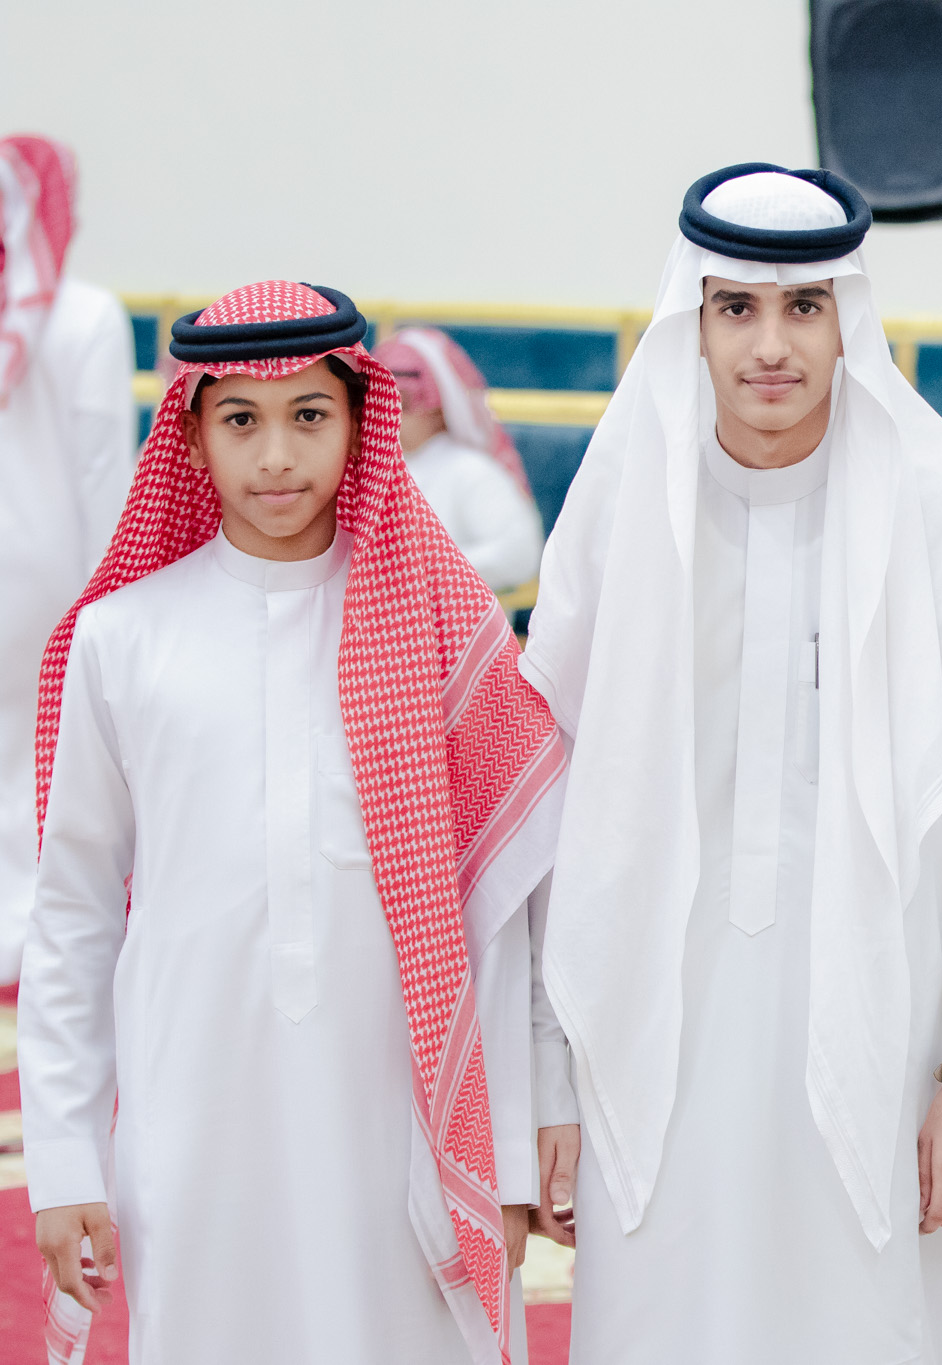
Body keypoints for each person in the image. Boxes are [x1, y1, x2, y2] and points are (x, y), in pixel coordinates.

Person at [520, 165, 942, 1364]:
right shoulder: (623, 504)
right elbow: (549, 813)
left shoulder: (932, 502)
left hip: (878, 1043)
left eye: (803, 307)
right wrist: (545, 1078)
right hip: (645, 1048)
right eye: (736, 309)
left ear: (846, 318)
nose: (769, 345)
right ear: (693, 324)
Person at [19, 282, 567, 1365]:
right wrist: (68, 1160)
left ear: (360, 422)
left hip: (400, 1129)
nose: (276, 455)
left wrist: (503, 1154)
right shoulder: (121, 639)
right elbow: (74, 916)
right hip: (192, 1119)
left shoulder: (436, 627)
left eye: (309, 416)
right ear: (190, 437)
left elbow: (500, 913)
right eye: (241, 419)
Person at [0, 134, 134, 986]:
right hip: (47, 573)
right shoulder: (87, 316)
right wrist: (110, 592)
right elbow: (101, 467)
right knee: (35, 755)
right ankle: (24, 931)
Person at [373, 327, 544, 591]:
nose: (389, 414)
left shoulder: (471, 470)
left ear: (438, 407)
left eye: (402, 403)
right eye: (380, 402)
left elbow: (519, 554)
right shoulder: (370, 469)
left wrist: (418, 571)